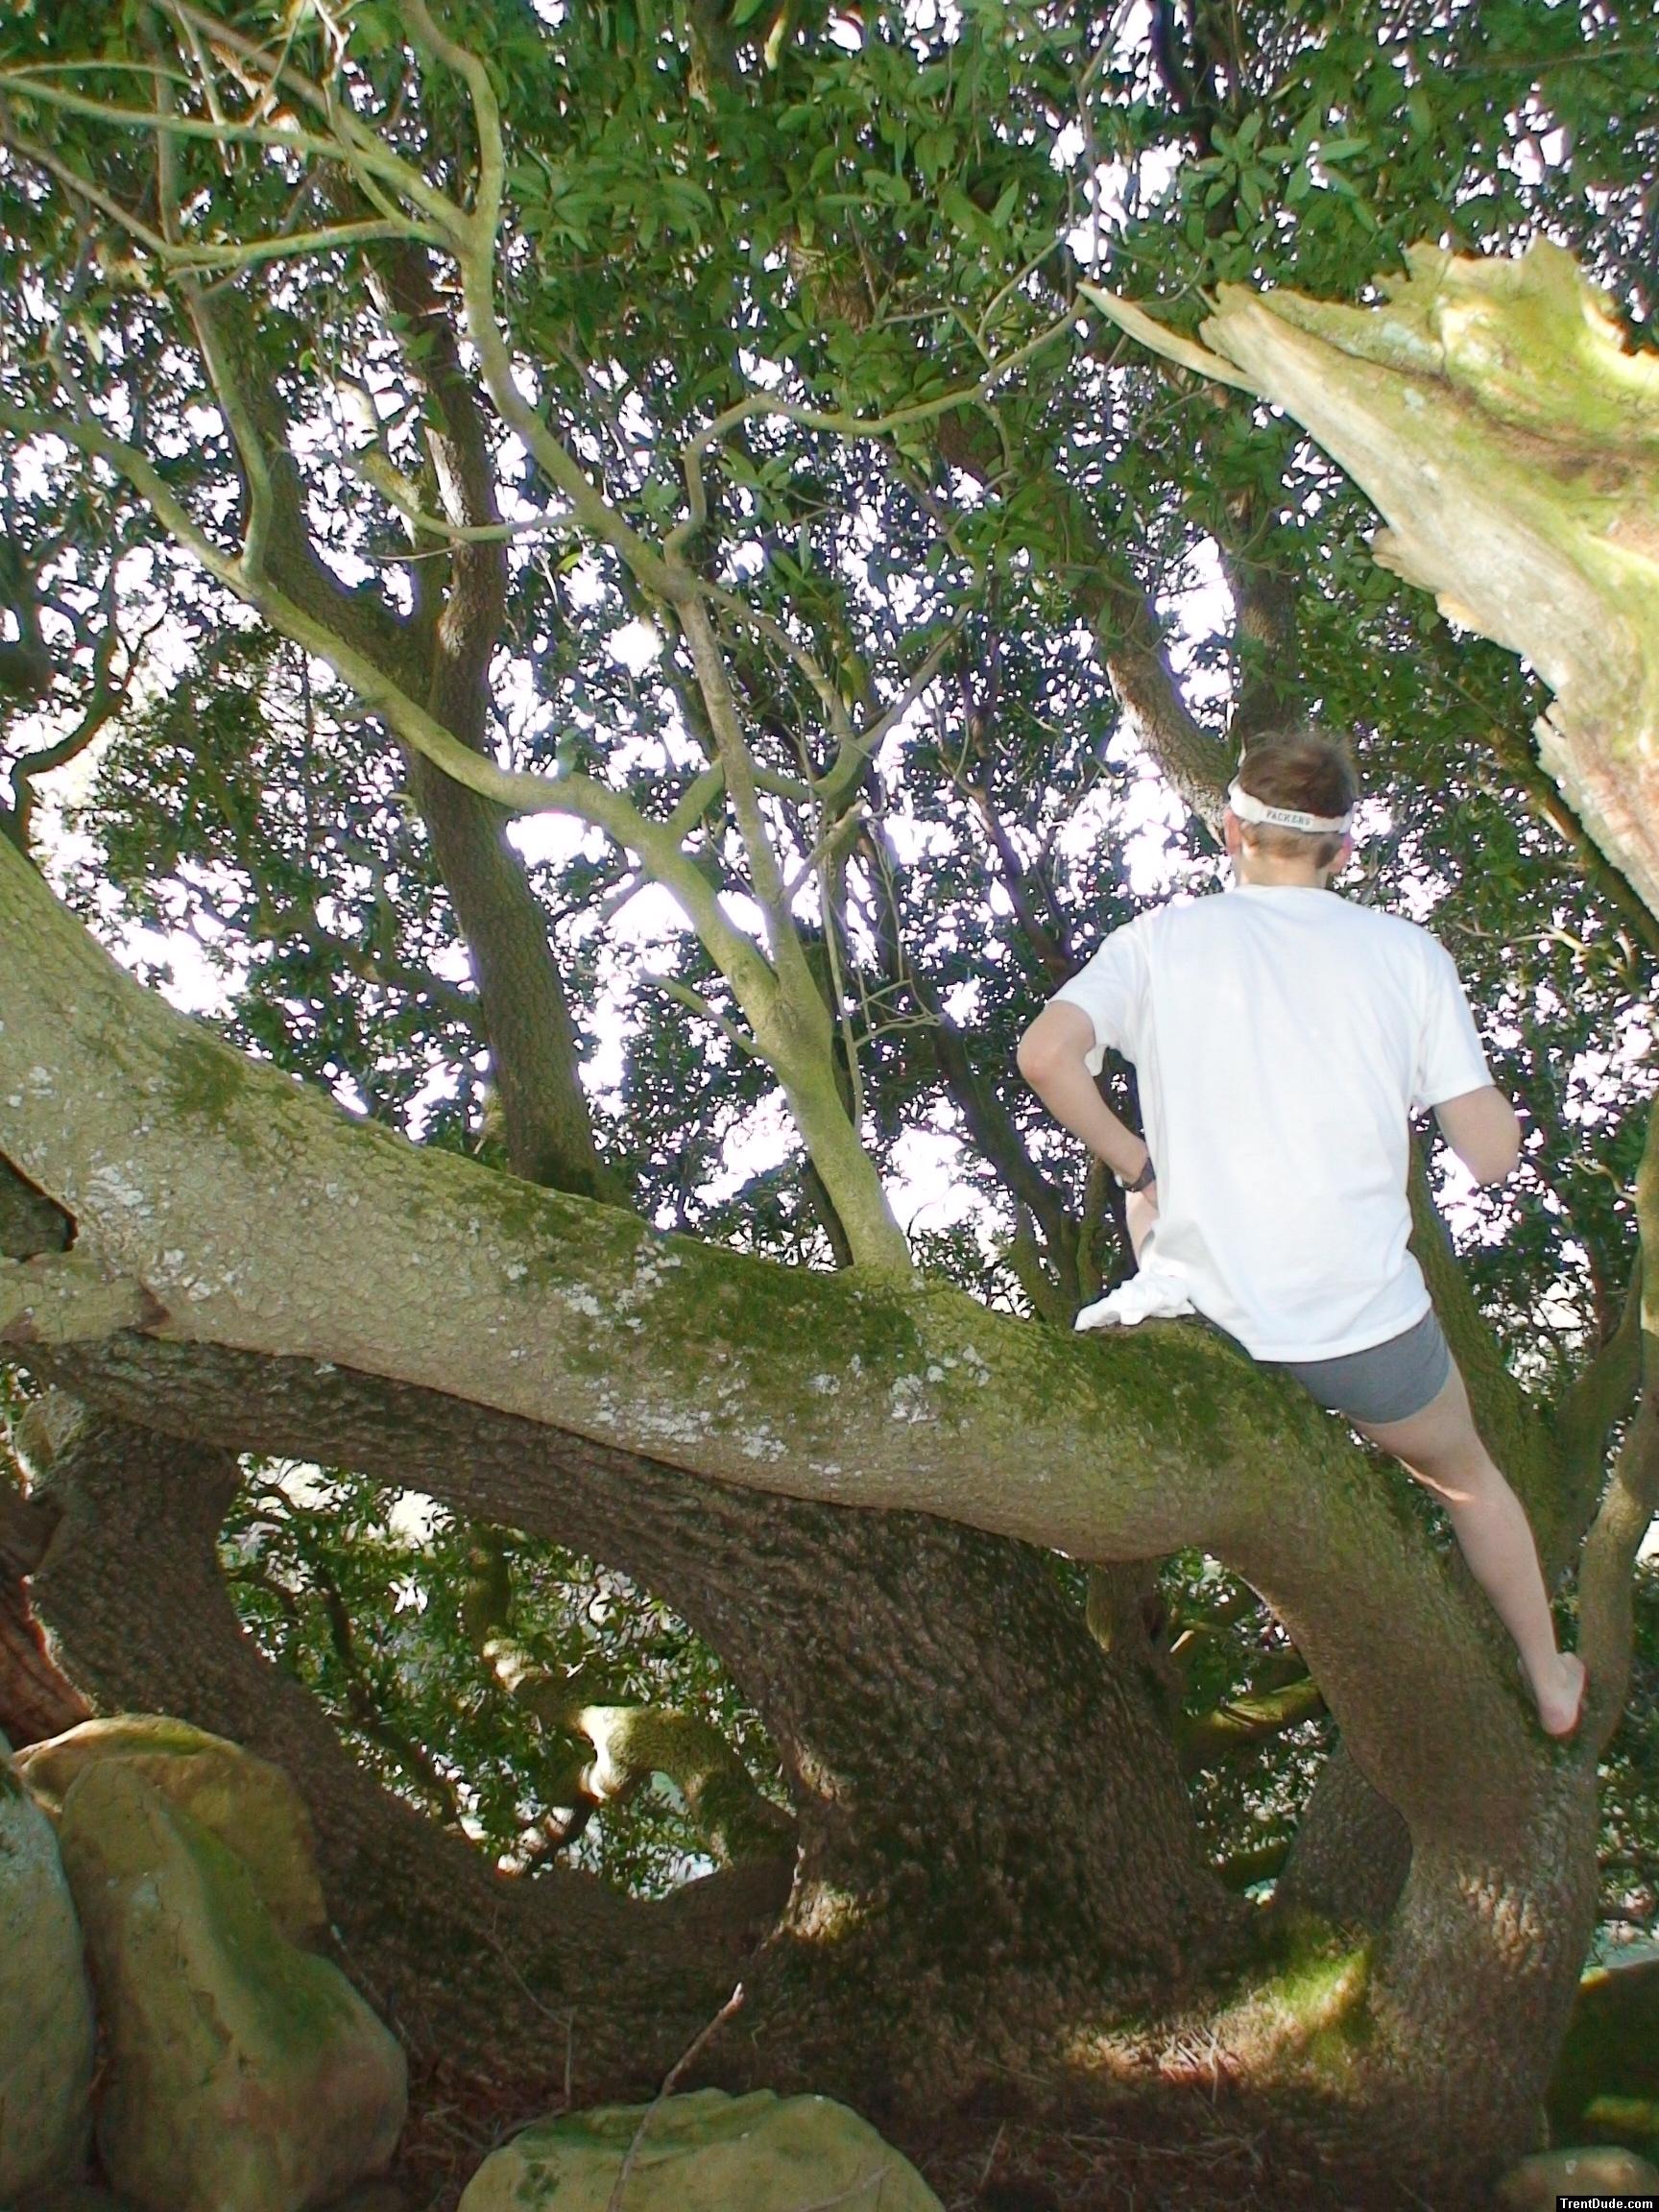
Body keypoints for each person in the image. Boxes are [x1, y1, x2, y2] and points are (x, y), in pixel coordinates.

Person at [1016, 734, 1588, 1740]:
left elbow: (1045, 1056)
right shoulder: (1409, 956)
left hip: (1211, 1309)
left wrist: (1139, 1163)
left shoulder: (1161, 939)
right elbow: (1491, 1157)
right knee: (1467, 1478)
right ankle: (1550, 1679)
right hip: (1360, 1326)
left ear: (1233, 831)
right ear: (1345, 853)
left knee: (1153, 1196)